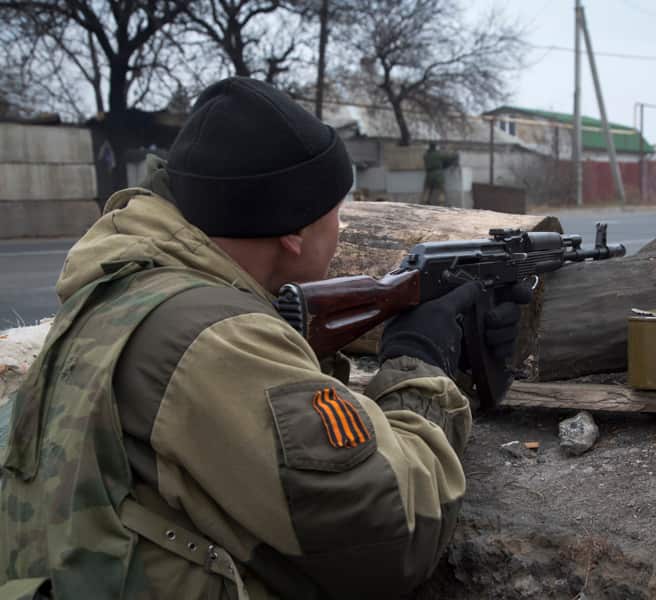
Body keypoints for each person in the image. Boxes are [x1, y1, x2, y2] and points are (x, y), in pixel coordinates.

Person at [0, 78, 529, 599]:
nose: (342, 231)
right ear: (294, 232)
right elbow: (393, 535)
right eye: (337, 215)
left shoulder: (130, 283)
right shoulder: (216, 341)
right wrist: (420, 363)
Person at [422, 142, 459, 206]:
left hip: (429, 174)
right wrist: (455, 154)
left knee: (428, 189)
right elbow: (448, 158)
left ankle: (424, 202)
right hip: (438, 174)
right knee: (441, 190)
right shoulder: (438, 154)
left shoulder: (426, 155)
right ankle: (441, 203)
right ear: (435, 147)